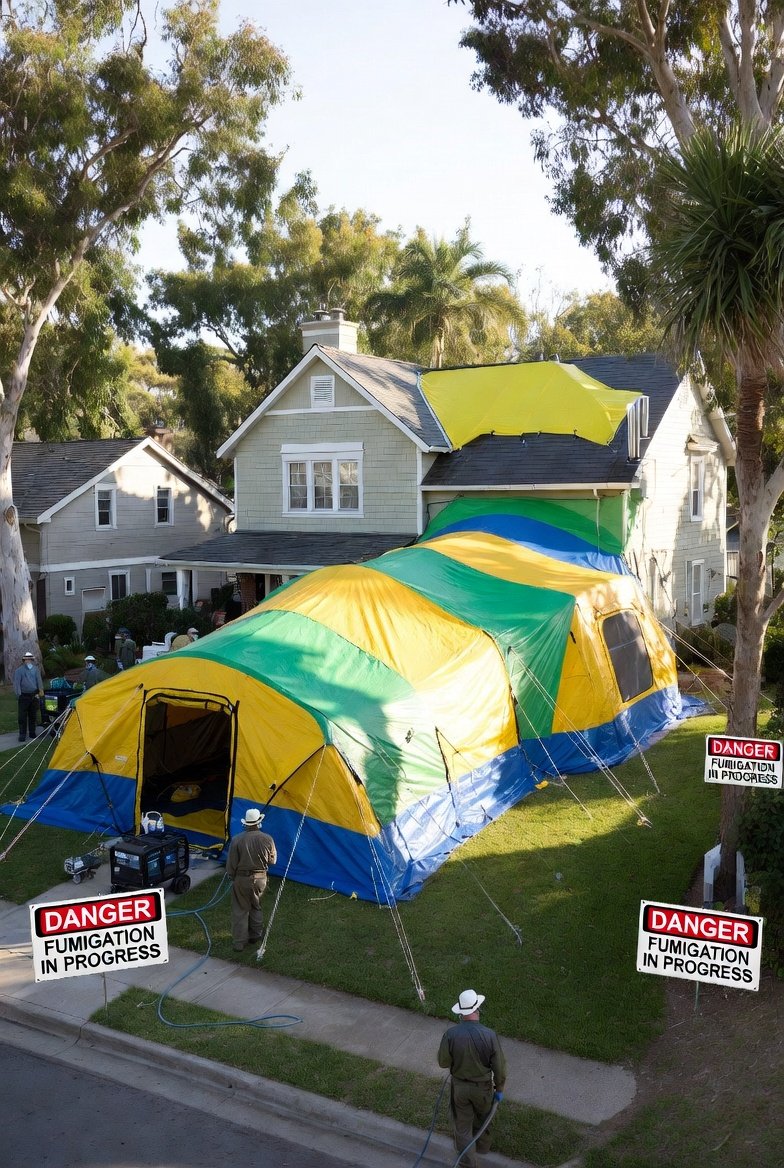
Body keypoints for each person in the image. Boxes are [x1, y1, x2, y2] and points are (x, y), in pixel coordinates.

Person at [437, 989, 507, 1167]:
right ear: (478, 1009)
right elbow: (499, 1069)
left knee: (462, 1127)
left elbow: (443, 1062)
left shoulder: (450, 1035)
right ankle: (483, 1148)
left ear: (461, 1013)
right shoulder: (489, 1035)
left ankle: (468, 1163)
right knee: (484, 1118)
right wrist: (499, 1090)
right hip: (483, 1089)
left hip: (460, 1088)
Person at [226, 808, 277, 952]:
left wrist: (231, 875)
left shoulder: (237, 839)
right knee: (256, 905)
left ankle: (239, 942)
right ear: (259, 822)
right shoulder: (267, 839)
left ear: (246, 824)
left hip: (241, 879)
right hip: (260, 878)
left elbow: (232, 864)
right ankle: (256, 935)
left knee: (240, 909)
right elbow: (272, 861)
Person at [13, 651, 45, 743]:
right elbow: (16, 684)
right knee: (22, 717)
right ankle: (22, 734)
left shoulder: (35, 669)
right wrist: (19, 694)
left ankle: (32, 732)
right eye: (26, 659)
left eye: (30, 659)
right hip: (24, 696)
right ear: (24, 660)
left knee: (33, 715)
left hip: (34, 695)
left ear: (32, 659)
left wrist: (41, 690)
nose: (28, 660)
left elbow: (39, 680)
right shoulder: (19, 671)